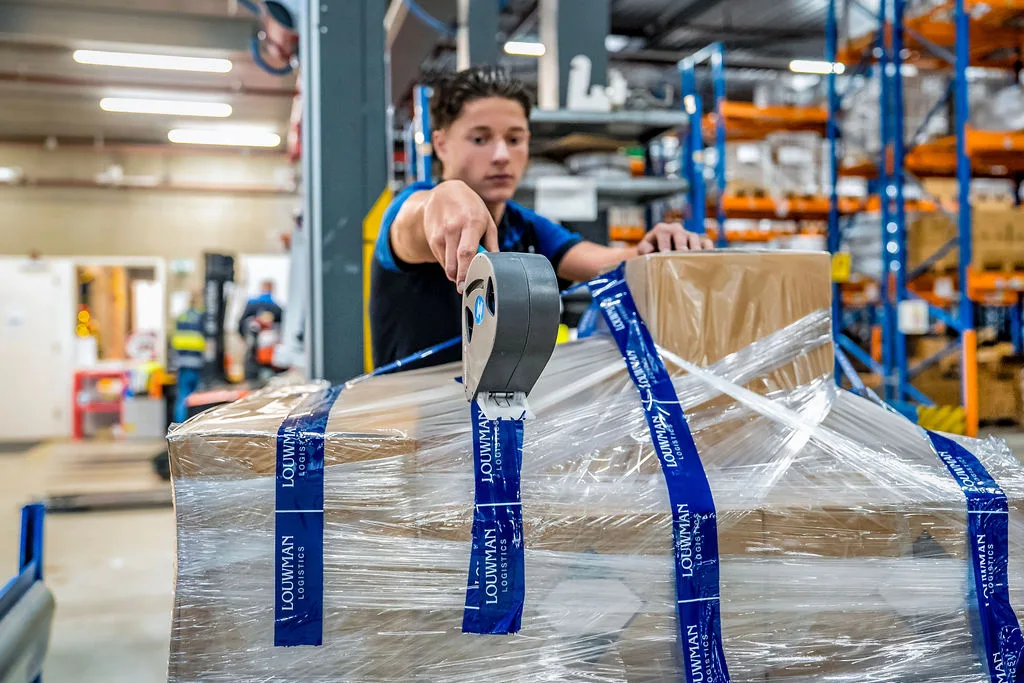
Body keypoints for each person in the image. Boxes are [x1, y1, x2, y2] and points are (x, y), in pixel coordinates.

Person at [369, 66, 713, 369]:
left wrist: (656, 252)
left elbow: (605, 262)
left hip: (497, 418)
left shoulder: (525, 227)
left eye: (514, 139)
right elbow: (417, 219)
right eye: (480, 138)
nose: (502, 155)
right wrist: (444, 196)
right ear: (441, 144)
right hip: (416, 421)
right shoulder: (412, 208)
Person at [170, 293, 205, 423]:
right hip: (197, 364)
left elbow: (175, 340)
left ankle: (179, 426)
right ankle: (193, 425)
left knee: (182, 396)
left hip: (182, 363)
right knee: (197, 398)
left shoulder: (181, 316)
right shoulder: (202, 317)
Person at [239, 280, 284, 380]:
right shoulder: (277, 308)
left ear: (261, 288)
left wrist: (245, 338)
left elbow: (240, 324)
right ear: (272, 289)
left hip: (253, 350)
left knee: (251, 375)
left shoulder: (251, 304)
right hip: (269, 353)